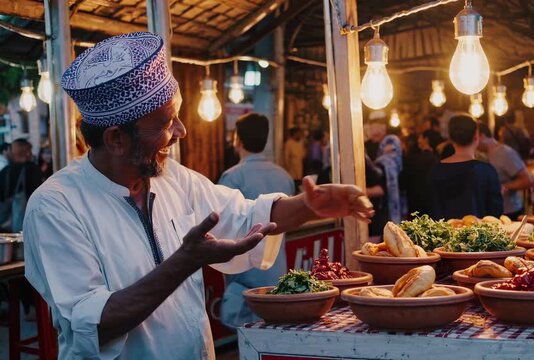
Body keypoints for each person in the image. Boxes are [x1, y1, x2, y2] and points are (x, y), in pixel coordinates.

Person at [23, 32, 373, 360]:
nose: (181, 131)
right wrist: (185, 262)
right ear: (116, 139)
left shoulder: (172, 177)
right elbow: (94, 323)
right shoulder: (56, 206)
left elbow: (246, 216)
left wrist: (308, 205)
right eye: (166, 123)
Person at [217, 113, 294, 328]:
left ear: (237, 141)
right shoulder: (284, 176)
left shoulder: (232, 177)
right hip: (277, 275)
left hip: (245, 280)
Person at [426, 115, 503, 219]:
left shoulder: (436, 171)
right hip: (480, 234)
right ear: (476, 137)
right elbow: (495, 213)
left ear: (451, 139)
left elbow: (431, 210)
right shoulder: (486, 171)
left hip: (443, 234)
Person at [478, 124, 532, 220]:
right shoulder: (484, 155)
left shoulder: (505, 153)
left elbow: (527, 180)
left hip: (510, 211)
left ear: (481, 136)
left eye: (474, 138)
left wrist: (504, 186)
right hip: (493, 211)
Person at [0, 138, 42, 233]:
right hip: (30, 223)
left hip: (6, 225)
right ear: (27, 152)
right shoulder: (33, 170)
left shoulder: (5, 171)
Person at [405, 130, 438, 215]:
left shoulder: (414, 159)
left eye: (420, 138)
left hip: (415, 201)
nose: (418, 140)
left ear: (426, 139)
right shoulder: (437, 159)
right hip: (432, 202)